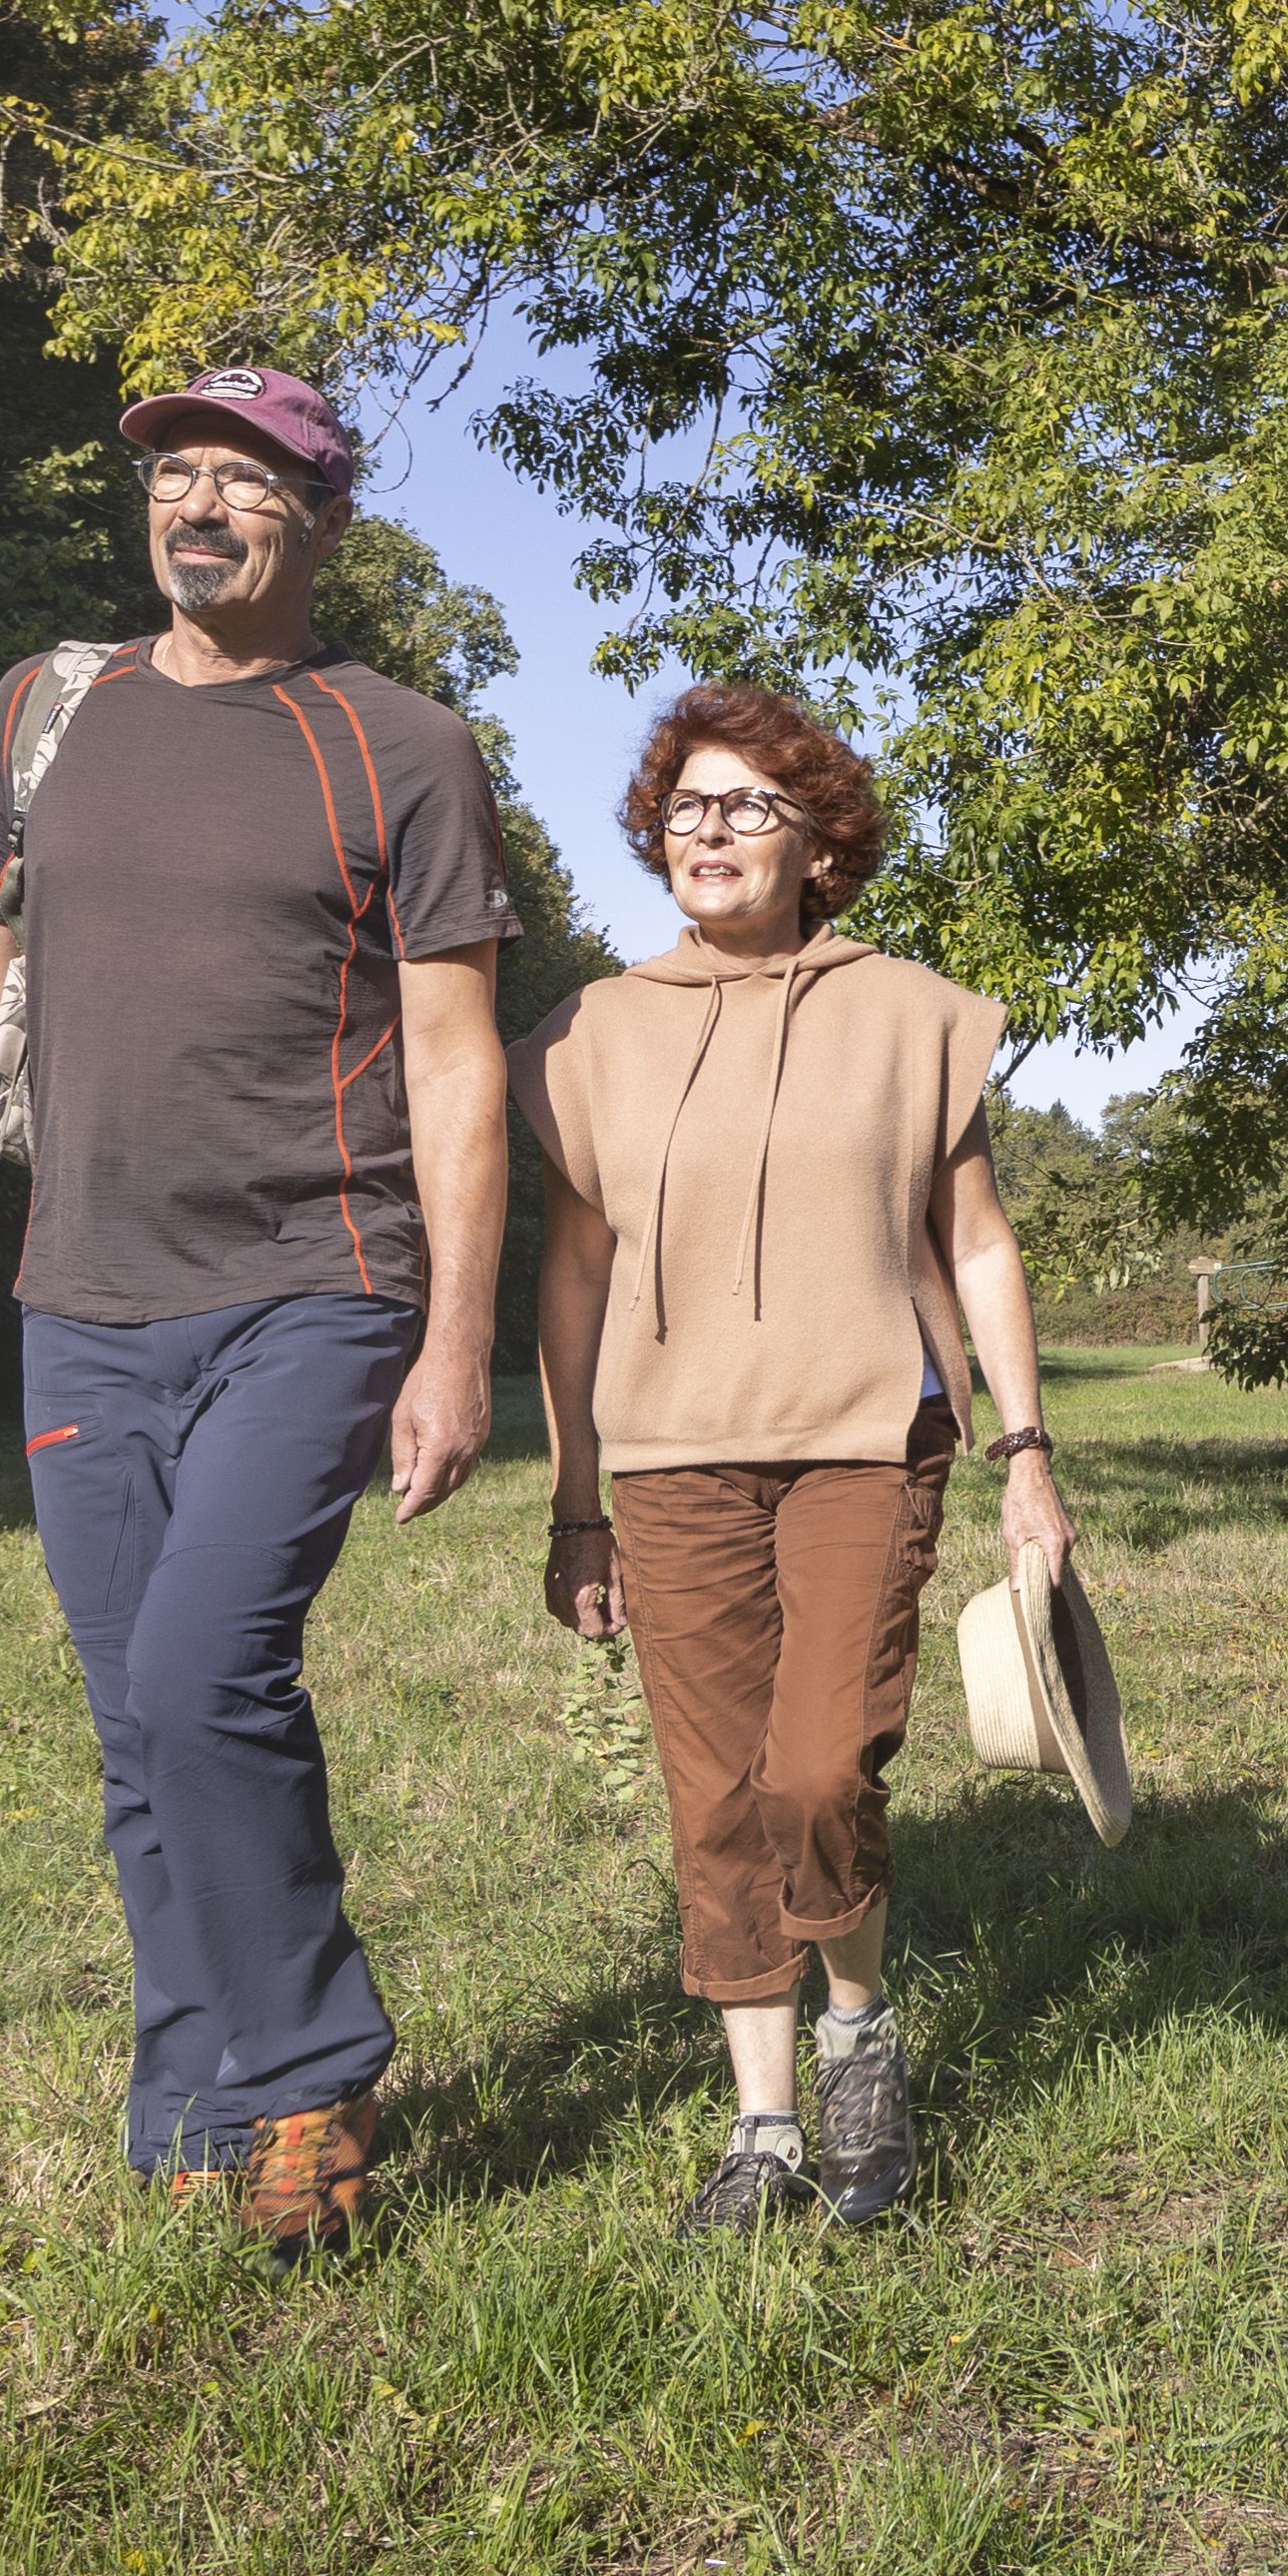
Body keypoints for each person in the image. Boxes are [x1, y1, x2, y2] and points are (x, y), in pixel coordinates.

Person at [0, 366, 518, 2263]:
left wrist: (460, 1338)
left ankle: (306, 2075)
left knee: (210, 1667)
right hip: (84, 1295)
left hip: (319, 1278)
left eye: (246, 481)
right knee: (140, 1714)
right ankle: (198, 2085)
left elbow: (459, 1063)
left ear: (328, 522)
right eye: (176, 477)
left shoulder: (403, 746)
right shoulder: (50, 717)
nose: (200, 506)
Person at [514, 683, 1071, 2232]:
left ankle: (856, 2033)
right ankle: (763, 2130)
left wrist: (1026, 1446)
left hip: (863, 1442)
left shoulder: (910, 1013)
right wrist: (576, 1503)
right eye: (687, 806)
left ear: (820, 842)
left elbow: (977, 1247)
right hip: (670, 1460)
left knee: (821, 1768)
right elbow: (570, 1280)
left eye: (748, 804)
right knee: (713, 1794)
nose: (709, 829)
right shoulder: (590, 1032)